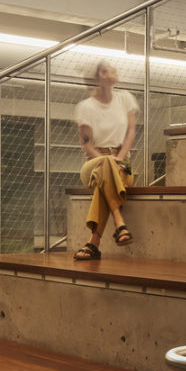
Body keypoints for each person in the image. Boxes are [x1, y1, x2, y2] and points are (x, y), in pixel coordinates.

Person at [71, 60, 138, 261]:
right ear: (99, 75)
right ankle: (119, 222)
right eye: (109, 69)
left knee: (105, 181)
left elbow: (131, 132)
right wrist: (109, 160)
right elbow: (87, 145)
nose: (115, 70)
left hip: (122, 163)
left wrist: (118, 159)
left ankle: (93, 243)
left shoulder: (126, 99)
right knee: (105, 166)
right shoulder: (85, 107)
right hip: (93, 163)